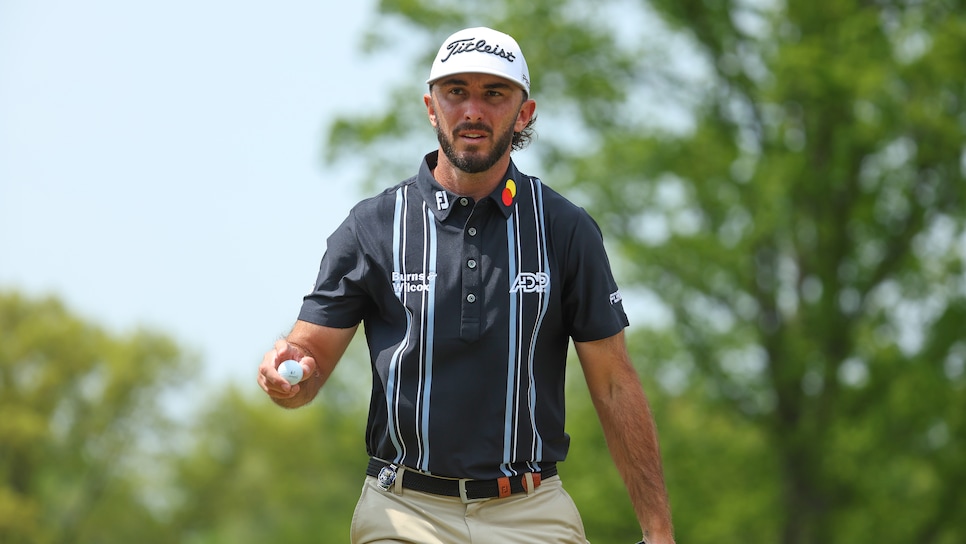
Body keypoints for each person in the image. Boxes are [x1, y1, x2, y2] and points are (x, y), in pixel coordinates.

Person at [257, 26, 675, 544]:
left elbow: (614, 384)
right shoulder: (373, 225)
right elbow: (306, 365)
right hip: (402, 511)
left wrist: (658, 533)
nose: (473, 110)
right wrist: (287, 378)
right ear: (432, 107)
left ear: (524, 113)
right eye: (456, 92)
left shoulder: (566, 230)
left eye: (494, 93)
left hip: (531, 508)